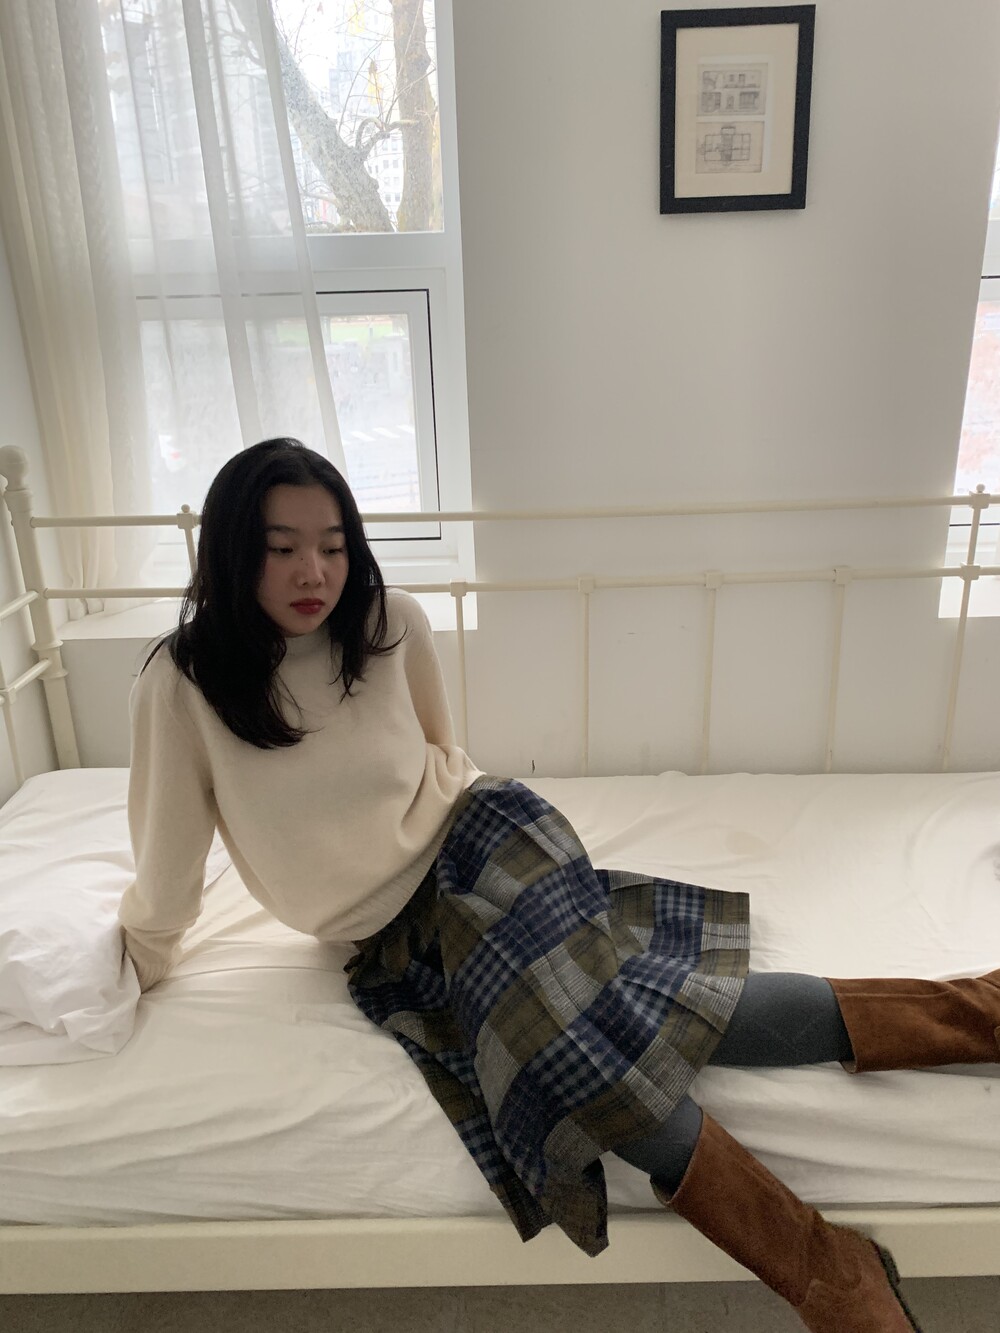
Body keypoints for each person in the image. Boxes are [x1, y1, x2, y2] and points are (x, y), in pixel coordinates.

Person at [120, 437, 1000, 1333]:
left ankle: (826, 1273)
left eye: (334, 544)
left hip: (486, 844)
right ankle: (978, 1018)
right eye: (281, 547)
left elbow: (442, 756)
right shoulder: (181, 685)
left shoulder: (390, 623)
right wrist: (132, 964)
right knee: (622, 1017)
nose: (315, 571)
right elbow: (167, 867)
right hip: (393, 940)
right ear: (233, 547)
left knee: (568, 1055)